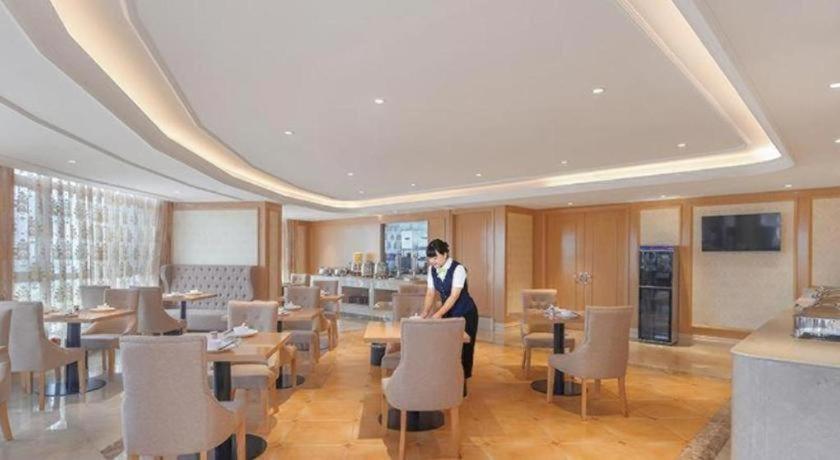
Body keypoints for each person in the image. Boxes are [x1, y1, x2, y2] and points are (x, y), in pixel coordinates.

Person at [421, 239, 479, 385]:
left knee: (464, 348)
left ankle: (462, 384)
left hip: (465, 312)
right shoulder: (432, 270)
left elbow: (454, 296)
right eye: (430, 258)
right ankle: (447, 381)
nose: (432, 261)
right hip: (448, 312)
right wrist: (425, 313)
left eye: (435, 257)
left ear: (445, 254)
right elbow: (430, 293)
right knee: (447, 346)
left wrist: (438, 314)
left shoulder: (458, 269)